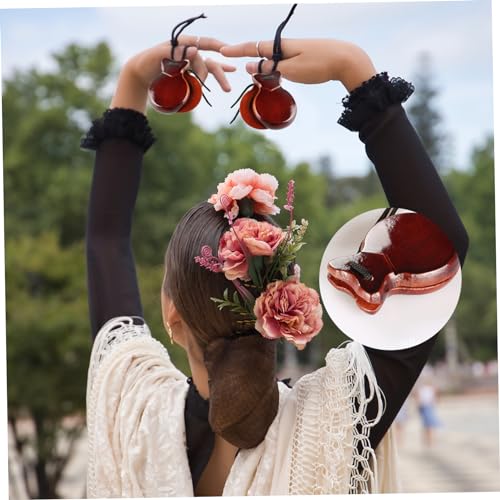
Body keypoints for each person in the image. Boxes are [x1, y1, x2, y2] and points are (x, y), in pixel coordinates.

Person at [82, 34, 469, 497]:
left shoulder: (135, 414)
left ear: (172, 315)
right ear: (281, 310)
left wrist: (134, 81)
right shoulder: (333, 423)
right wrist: (354, 70)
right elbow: (438, 248)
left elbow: (105, 243)